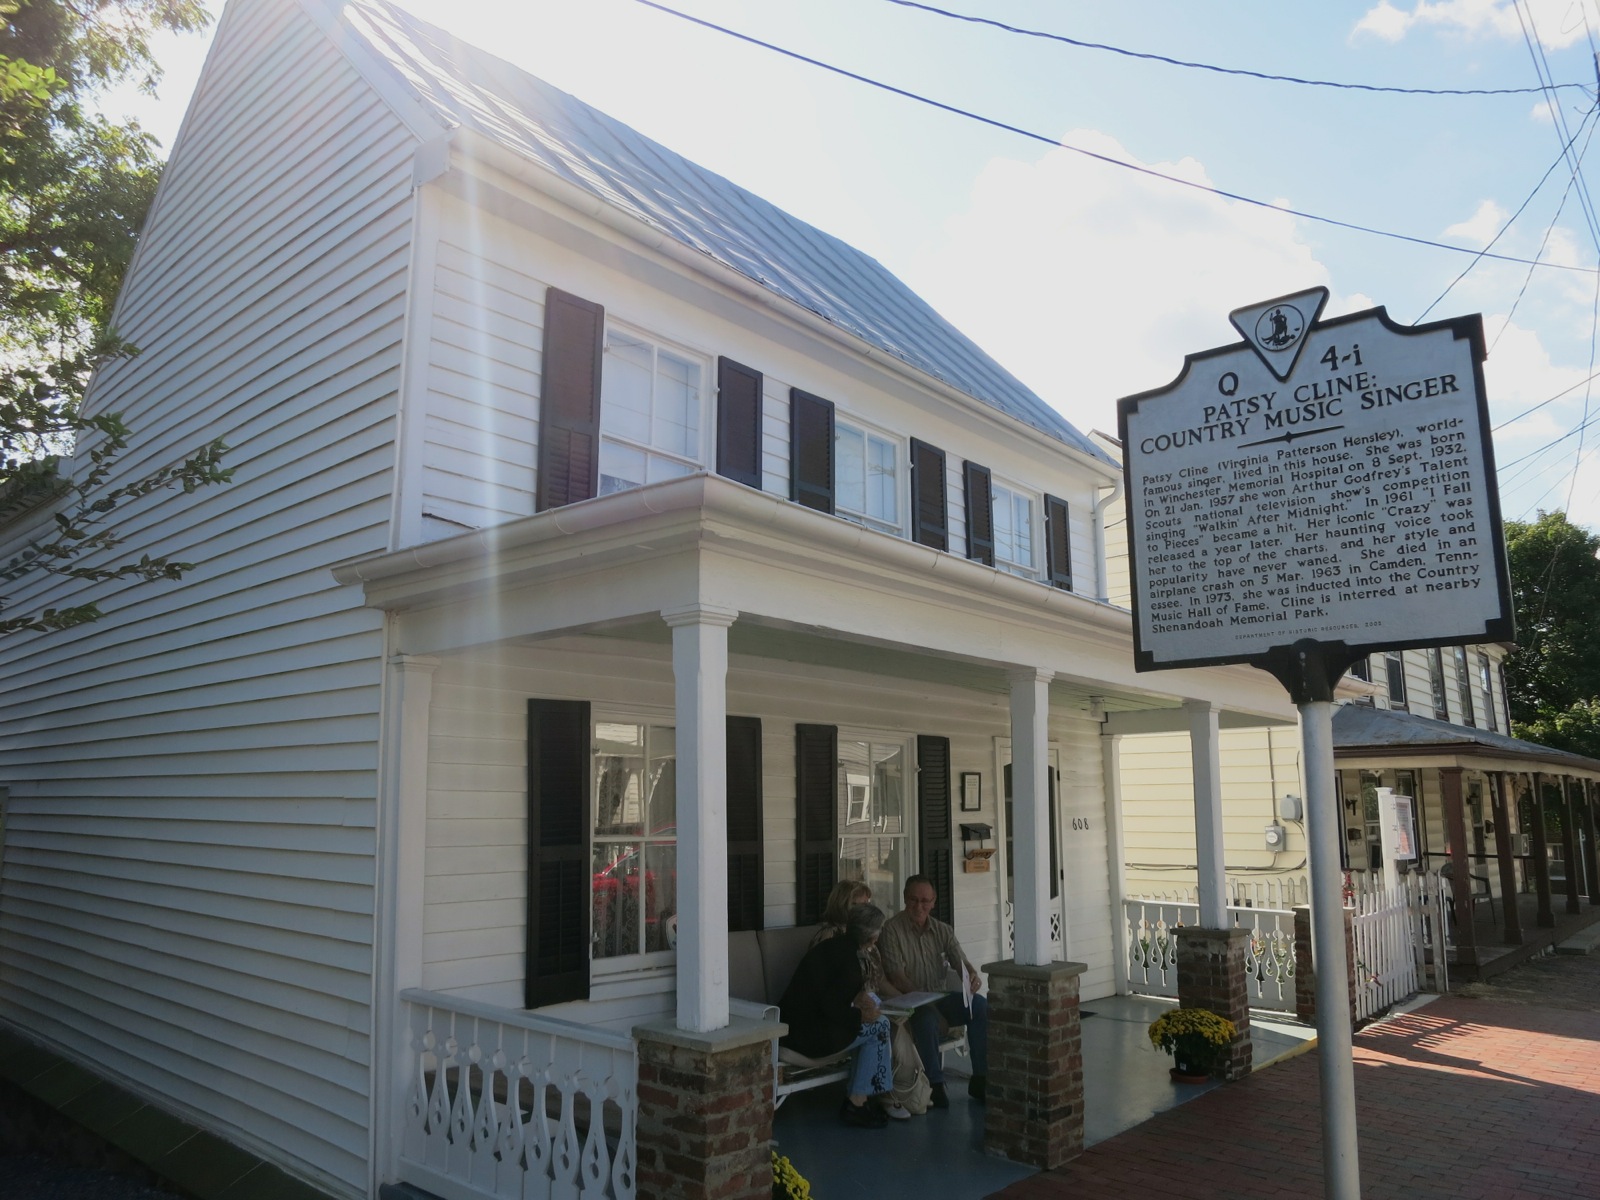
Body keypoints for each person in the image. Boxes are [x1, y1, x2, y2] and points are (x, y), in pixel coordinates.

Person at [809, 880, 932, 1114]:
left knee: (904, 1017)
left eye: (867, 903)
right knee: (886, 1025)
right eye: (857, 905)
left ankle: (907, 1088)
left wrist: (906, 1001)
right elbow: (831, 988)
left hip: (873, 1002)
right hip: (847, 1010)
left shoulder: (867, 936)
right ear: (842, 905)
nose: (864, 909)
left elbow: (881, 980)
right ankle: (890, 1093)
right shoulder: (831, 937)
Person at [779, 903, 898, 1127]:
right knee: (880, 1026)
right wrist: (862, 1015)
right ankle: (858, 1103)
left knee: (875, 1025)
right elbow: (831, 1007)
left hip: (792, 1026)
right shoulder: (851, 962)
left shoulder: (832, 947)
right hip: (807, 1037)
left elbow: (829, 996)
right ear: (873, 936)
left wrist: (856, 1002)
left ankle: (859, 1096)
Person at [878, 874, 989, 1108]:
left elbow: (961, 962)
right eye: (913, 900)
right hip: (909, 1002)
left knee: (979, 1005)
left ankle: (981, 1077)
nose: (919, 906)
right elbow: (897, 976)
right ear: (905, 899)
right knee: (927, 1018)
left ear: (934, 901)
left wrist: (971, 976)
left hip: (941, 997)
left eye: (925, 901)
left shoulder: (942, 930)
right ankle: (935, 1086)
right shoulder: (891, 930)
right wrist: (931, 1007)